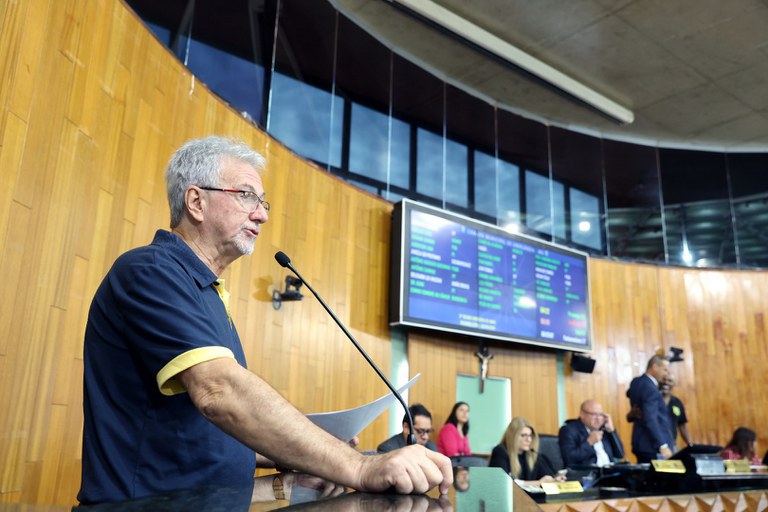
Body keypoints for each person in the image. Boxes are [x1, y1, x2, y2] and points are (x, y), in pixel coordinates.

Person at [77, 136, 452, 504]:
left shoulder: (208, 292)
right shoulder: (151, 270)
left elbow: (198, 432)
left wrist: (310, 457)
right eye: (246, 196)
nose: (262, 214)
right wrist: (359, 467)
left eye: (262, 201)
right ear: (196, 202)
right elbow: (219, 393)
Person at [626, 355, 675, 463]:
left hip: (640, 442)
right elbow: (650, 419)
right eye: (665, 370)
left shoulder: (636, 382)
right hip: (652, 446)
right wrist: (662, 445)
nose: (666, 374)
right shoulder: (650, 388)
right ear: (655, 366)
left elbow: (628, 393)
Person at [488, 417, 566, 485]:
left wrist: (555, 480)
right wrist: (538, 483)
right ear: (512, 436)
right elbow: (502, 482)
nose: (528, 439)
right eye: (523, 435)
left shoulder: (533, 455)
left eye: (530, 435)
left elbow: (548, 476)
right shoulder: (500, 452)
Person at [559, 400, 625, 467]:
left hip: (610, 470)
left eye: (601, 414)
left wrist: (612, 431)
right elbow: (569, 459)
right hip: (589, 472)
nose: (598, 418)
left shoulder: (604, 430)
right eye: (594, 414)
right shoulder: (569, 430)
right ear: (582, 414)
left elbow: (620, 454)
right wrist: (589, 442)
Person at [660, 375, 693, 450]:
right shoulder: (652, 400)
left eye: (669, 381)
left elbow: (682, 426)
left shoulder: (677, 402)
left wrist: (690, 445)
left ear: (673, 384)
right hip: (656, 445)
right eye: (664, 380)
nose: (666, 383)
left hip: (672, 444)